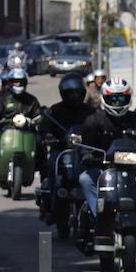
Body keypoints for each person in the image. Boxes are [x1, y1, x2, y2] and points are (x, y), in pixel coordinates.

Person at [75, 78, 136, 236]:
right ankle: (98, 216)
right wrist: (86, 155)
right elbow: (85, 143)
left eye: (121, 98)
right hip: (103, 167)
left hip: (133, 168)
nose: (116, 102)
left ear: (128, 98)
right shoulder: (94, 120)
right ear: (105, 98)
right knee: (85, 179)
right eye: (113, 98)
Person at [37, 72, 95, 206]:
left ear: (82, 92)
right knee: (52, 166)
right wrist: (48, 136)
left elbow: (98, 126)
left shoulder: (90, 111)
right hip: (61, 149)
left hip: (85, 151)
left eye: (77, 93)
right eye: (70, 93)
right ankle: (51, 199)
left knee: (98, 171)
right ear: (63, 93)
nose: (74, 96)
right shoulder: (56, 110)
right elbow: (45, 126)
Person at [0, 68, 41, 168]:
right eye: (15, 82)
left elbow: (38, 115)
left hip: (26, 130)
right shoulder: (4, 98)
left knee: (39, 141)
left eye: (20, 82)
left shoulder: (31, 100)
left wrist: (37, 120)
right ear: (10, 83)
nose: (18, 84)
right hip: (6, 130)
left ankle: (39, 168)